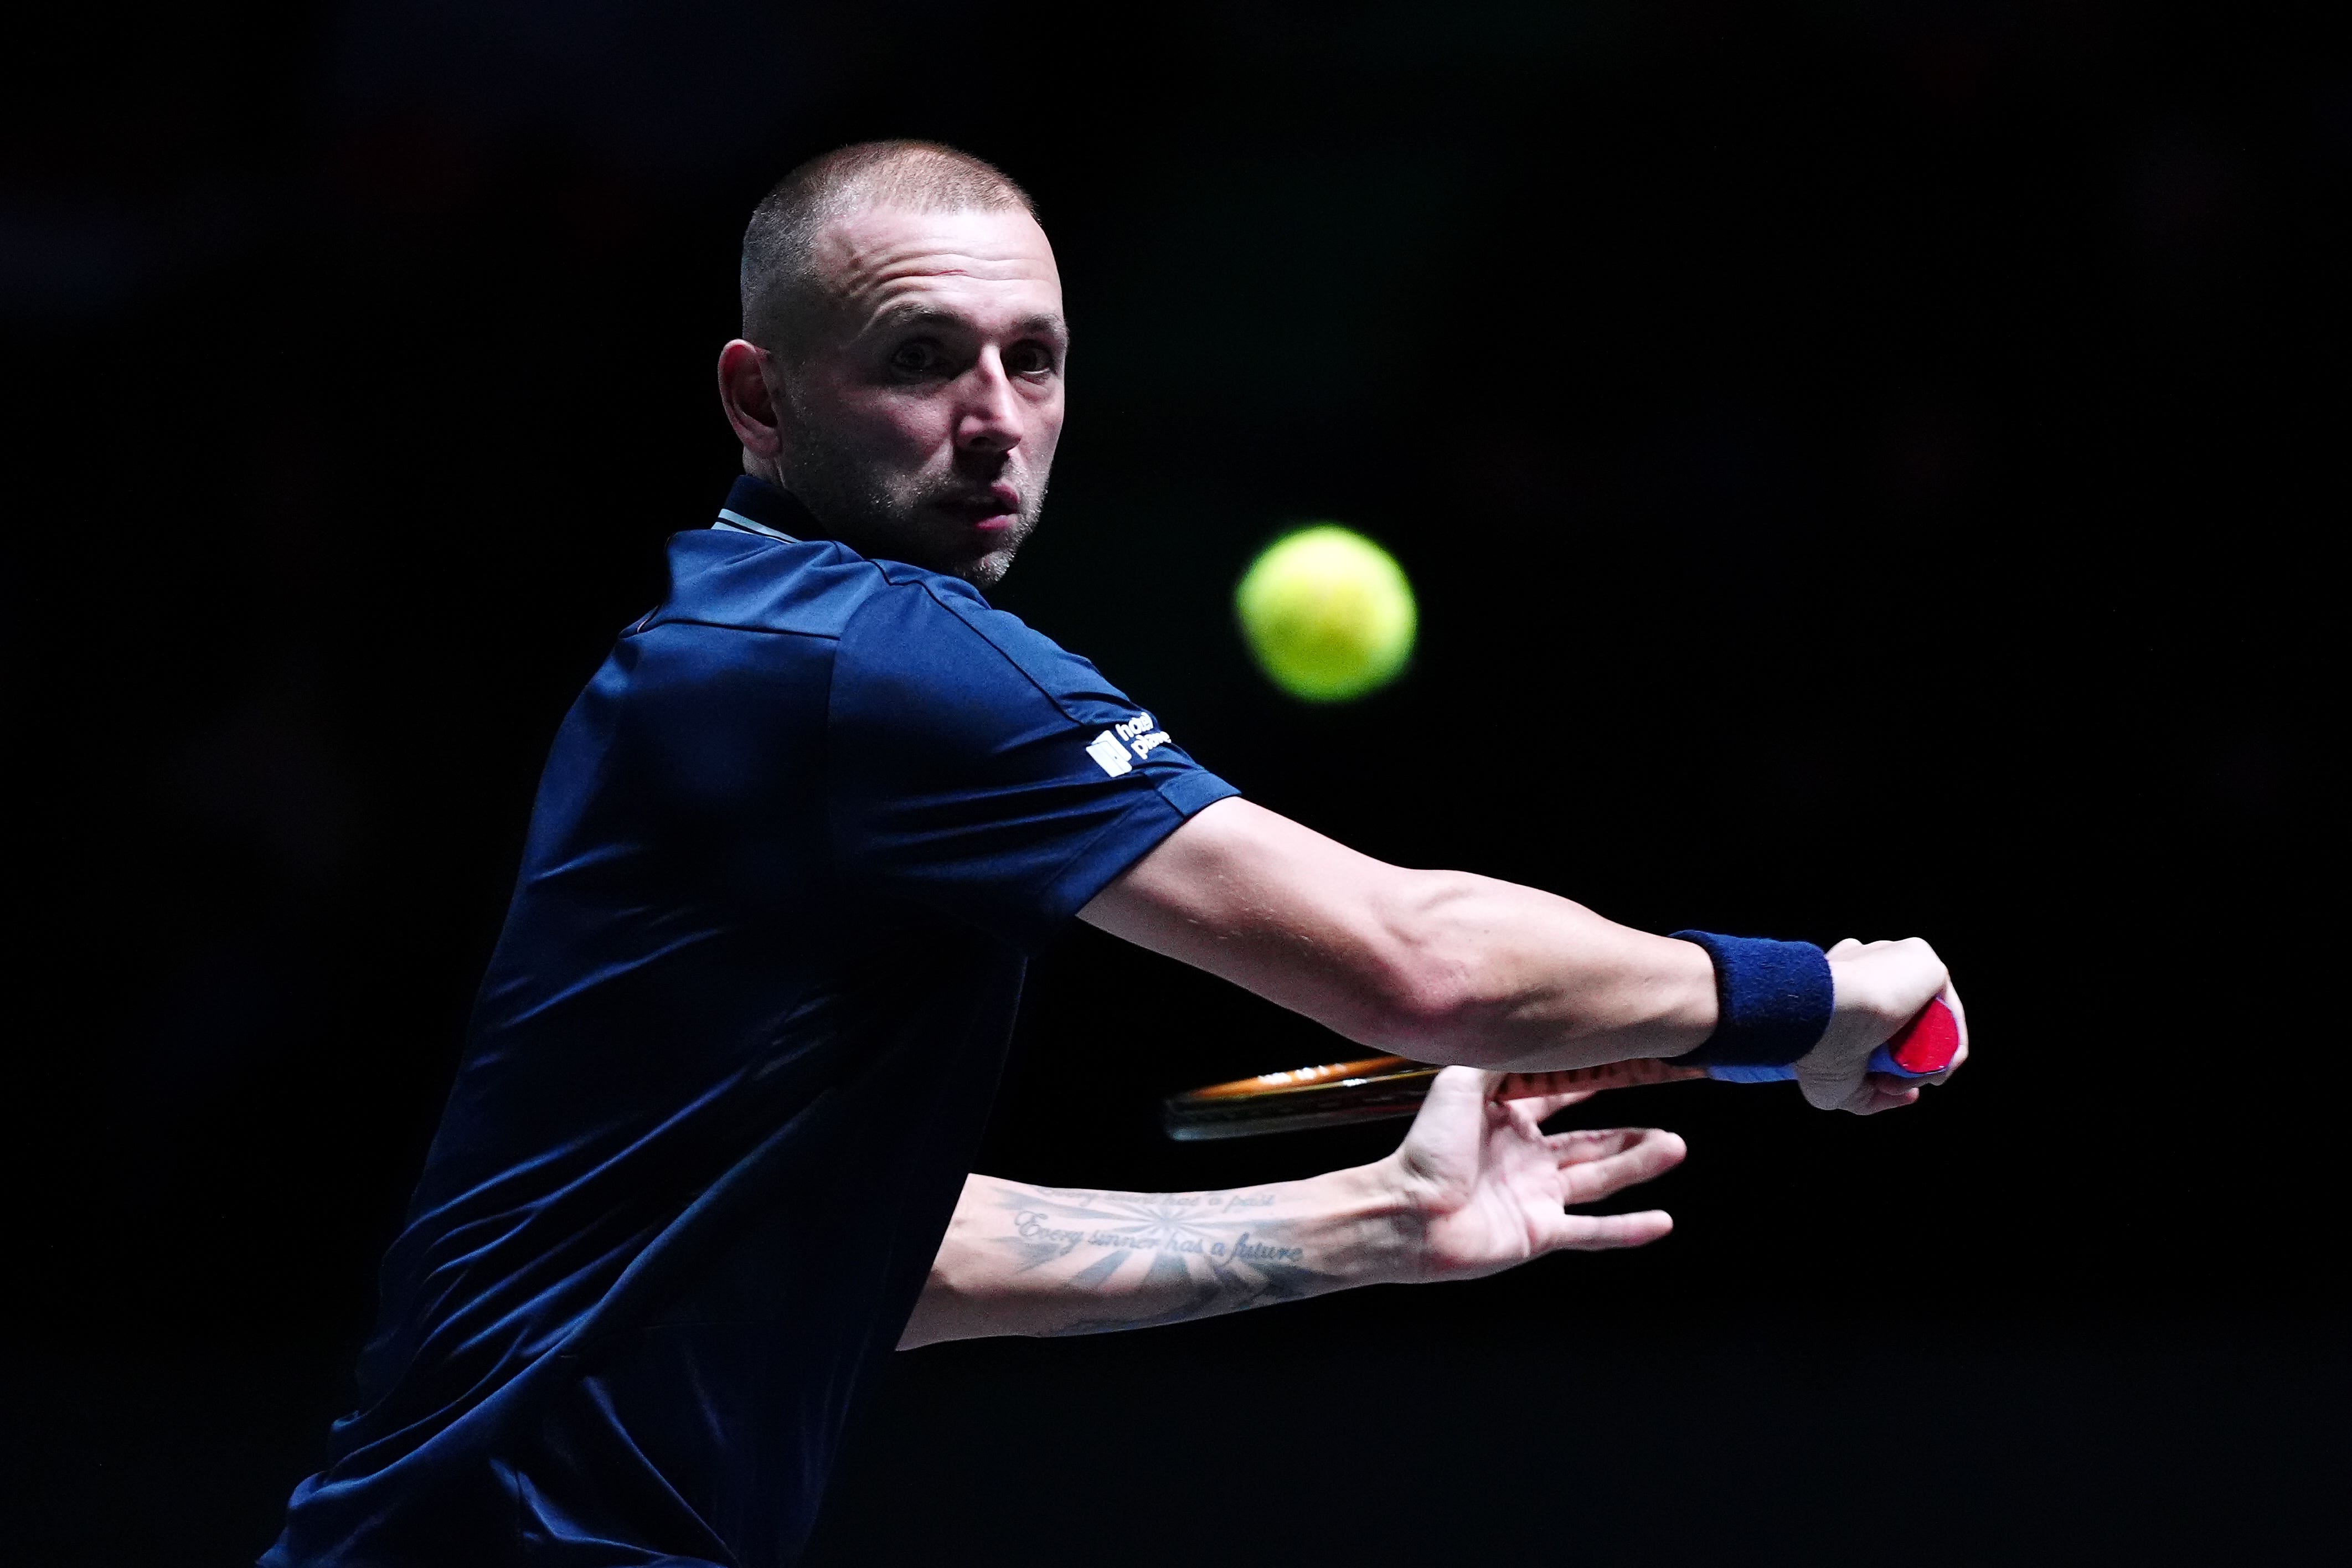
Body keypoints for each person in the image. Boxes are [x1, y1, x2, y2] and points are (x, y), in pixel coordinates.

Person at [262, 140, 1964, 1568]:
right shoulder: (881, 661)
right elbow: (1418, 963)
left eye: (1039, 356)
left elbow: (865, 1253)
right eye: (923, 356)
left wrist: (1374, 1220)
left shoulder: (729, 653)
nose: (997, 417)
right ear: (760, 399)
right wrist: (1806, 1002)